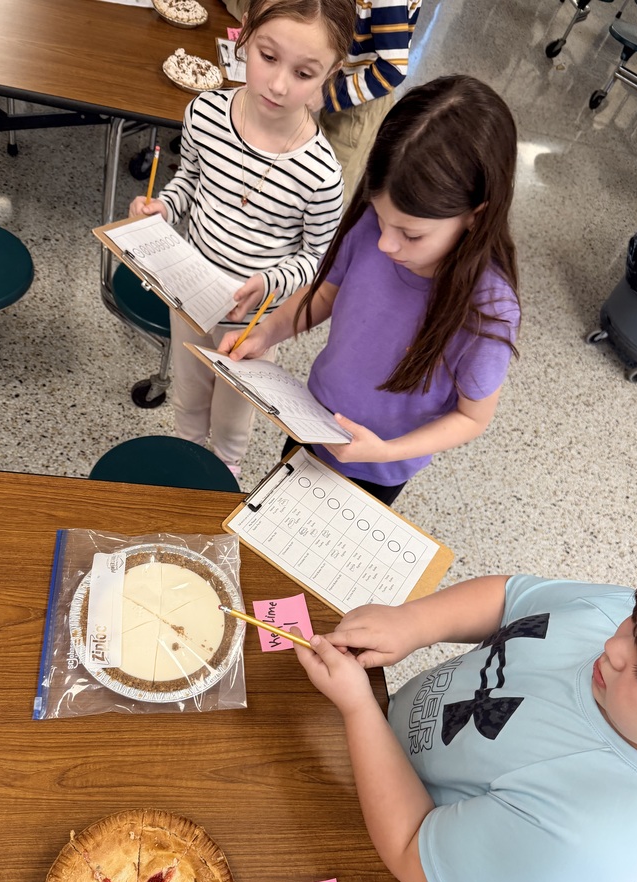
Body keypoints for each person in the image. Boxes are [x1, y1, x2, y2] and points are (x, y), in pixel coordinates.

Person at [290, 554, 637, 882]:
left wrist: (358, 709)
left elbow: (409, 851)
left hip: (388, 841)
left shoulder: (587, 839)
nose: (612, 647)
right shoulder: (633, 624)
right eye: (634, 621)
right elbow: (509, 599)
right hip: (360, 728)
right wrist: (413, 623)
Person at [219, 75, 521, 505]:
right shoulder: (369, 225)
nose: (385, 243)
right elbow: (324, 296)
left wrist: (386, 451)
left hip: (381, 467)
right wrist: (267, 332)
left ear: (476, 215)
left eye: (411, 235)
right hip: (312, 424)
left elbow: (472, 417)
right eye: (381, 218)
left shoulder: (488, 309)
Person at [128, 0, 354, 478]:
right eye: (268, 57)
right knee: (189, 394)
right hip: (190, 294)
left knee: (233, 413)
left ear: (331, 73)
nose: (277, 84)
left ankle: (223, 471)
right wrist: (163, 206)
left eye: (303, 72)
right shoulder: (205, 112)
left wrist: (271, 280)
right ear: (244, 34)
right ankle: (185, 462)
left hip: (254, 322)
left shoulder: (321, 174)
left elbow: (319, 257)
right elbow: (189, 179)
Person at [219, 0, 424, 205]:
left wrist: (328, 93)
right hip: (333, 72)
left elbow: (393, 69)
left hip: (363, 94)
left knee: (332, 181)